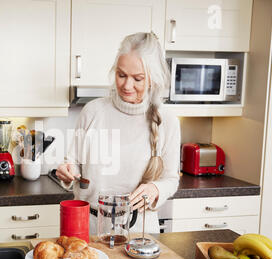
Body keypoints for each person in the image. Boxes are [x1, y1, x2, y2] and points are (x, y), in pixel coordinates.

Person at [56, 32, 180, 234]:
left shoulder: (168, 121)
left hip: (141, 230)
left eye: (137, 78)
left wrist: (155, 189)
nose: (126, 85)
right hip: (90, 227)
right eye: (121, 75)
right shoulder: (93, 111)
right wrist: (67, 172)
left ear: (152, 80)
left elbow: (171, 179)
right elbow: (72, 163)